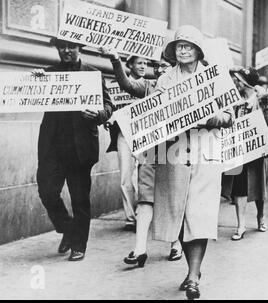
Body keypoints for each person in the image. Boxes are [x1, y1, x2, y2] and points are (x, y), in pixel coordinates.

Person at [151, 25, 233, 300]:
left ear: (199, 50)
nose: (183, 50)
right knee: (179, 214)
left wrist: (211, 118)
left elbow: (229, 116)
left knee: (199, 215)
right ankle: (191, 268)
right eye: (178, 46)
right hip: (173, 153)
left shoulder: (216, 79)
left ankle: (193, 275)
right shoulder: (164, 80)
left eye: (188, 46)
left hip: (205, 153)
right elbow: (151, 115)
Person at [35, 38, 113, 261]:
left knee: (79, 199)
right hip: (52, 147)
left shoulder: (93, 74)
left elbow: (108, 106)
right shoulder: (48, 73)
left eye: (71, 46)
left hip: (80, 148)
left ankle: (79, 244)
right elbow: (28, 95)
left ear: (80, 49)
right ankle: (68, 229)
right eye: (62, 46)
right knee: (47, 191)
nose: (66, 50)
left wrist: (97, 115)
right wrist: (32, 81)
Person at [101, 48, 183, 263]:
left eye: (166, 66)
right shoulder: (148, 87)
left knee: (173, 198)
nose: (160, 70)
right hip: (150, 149)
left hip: (175, 151)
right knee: (145, 197)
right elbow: (126, 85)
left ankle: (176, 244)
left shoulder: (185, 90)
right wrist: (115, 59)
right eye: (158, 67)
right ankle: (140, 249)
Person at [229, 67, 268, 239]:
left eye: (238, 80)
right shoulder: (234, 102)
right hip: (240, 150)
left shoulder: (263, 102)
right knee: (239, 188)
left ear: (245, 83)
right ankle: (240, 225)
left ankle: (261, 216)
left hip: (259, 151)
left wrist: (267, 148)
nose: (235, 83)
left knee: (259, 187)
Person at [105, 55, 149, 232]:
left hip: (145, 134)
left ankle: (143, 213)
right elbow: (113, 109)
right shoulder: (117, 86)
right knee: (125, 177)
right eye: (139, 63)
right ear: (130, 65)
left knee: (144, 176)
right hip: (124, 134)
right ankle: (130, 217)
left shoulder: (149, 85)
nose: (143, 66)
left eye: (145, 63)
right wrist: (110, 119)